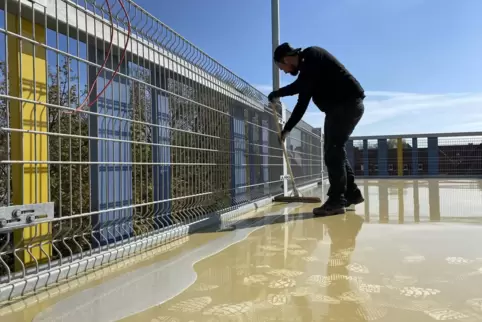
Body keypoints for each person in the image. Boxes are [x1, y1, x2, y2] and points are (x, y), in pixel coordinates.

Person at [268, 42, 365, 216]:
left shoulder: (312, 56)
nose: (283, 71)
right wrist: (286, 128)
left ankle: (336, 201)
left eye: (281, 67)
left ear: (285, 59)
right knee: (336, 151)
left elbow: (299, 91)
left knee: (333, 152)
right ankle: (352, 194)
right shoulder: (309, 69)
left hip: (345, 105)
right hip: (341, 108)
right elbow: (302, 99)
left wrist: (277, 94)